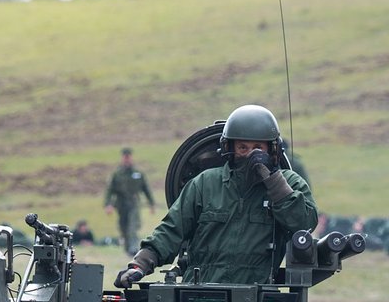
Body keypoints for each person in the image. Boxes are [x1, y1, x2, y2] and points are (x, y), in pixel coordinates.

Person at [117, 105, 316, 287]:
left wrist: (274, 181)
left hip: (257, 298)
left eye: (258, 148)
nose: (251, 155)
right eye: (243, 147)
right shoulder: (205, 183)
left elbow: (304, 223)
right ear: (229, 148)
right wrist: (139, 265)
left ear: (272, 149)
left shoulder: (290, 183)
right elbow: (171, 230)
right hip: (198, 293)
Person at [102, 147, 157, 255]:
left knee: (133, 226)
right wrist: (108, 204)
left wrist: (151, 204)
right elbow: (110, 190)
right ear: (122, 158)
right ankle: (128, 249)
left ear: (131, 158)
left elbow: (146, 189)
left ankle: (133, 248)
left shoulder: (138, 173)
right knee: (123, 227)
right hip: (121, 204)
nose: (127, 159)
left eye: (128, 157)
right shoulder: (117, 174)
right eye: (125, 157)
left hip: (134, 203)